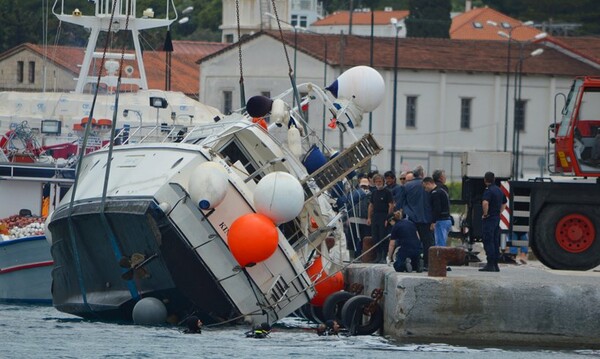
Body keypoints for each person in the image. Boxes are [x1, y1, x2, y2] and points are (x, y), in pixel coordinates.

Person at [398, 166, 434, 270]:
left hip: (412, 218)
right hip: (427, 218)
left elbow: (401, 203)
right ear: (423, 174)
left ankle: (415, 264)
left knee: (412, 242)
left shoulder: (406, 186)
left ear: (414, 174)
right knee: (427, 242)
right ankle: (427, 264)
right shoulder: (428, 185)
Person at [480, 171, 507, 272]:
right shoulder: (499, 190)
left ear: (485, 180)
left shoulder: (488, 190)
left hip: (490, 218)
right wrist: (499, 212)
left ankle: (490, 264)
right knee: (495, 241)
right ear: (494, 179)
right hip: (496, 217)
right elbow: (504, 203)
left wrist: (485, 214)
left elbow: (485, 203)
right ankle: (495, 264)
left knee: (488, 240)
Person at [340, 177, 372, 259]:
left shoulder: (370, 194)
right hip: (353, 220)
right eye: (363, 186)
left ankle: (361, 256)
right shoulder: (354, 193)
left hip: (365, 221)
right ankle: (353, 256)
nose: (364, 188)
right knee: (352, 239)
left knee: (362, 239)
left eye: (365, 186)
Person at [367, 174, 394, 263]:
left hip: (384, 216)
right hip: (375, 216)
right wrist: (369, 217)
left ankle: (383, 256)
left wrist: (388, 218)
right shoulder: (374, 193)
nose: (378, 183)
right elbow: (371, 205)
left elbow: (391, 205)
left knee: (383, 236)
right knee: (375, 236)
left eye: (380, 181)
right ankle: (378, 256)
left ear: (383, 182)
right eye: (376, 182)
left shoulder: (387, 192)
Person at [423, 177, 452, 247]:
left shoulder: (435, 193)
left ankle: (440, 257)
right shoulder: (441, 191)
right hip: (447, 219)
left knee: (440, 243)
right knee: (443, 241)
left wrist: (433, 221)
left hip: (441, 220)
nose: (425, 190)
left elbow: (437, 208)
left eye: (425, 187)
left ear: (429, 184)